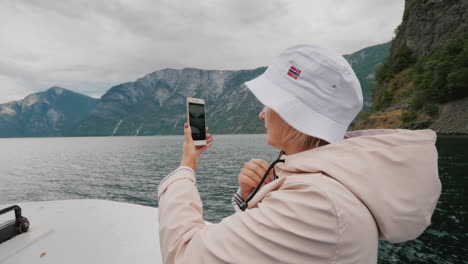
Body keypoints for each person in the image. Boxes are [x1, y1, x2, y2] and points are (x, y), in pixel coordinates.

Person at [157, 45, 441, 264]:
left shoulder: (317, 202)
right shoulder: (327, 184)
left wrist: (187, 165)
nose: (261, 115)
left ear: (292, 115)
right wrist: (251, 196)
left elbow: (185, 254)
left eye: (268, 104)